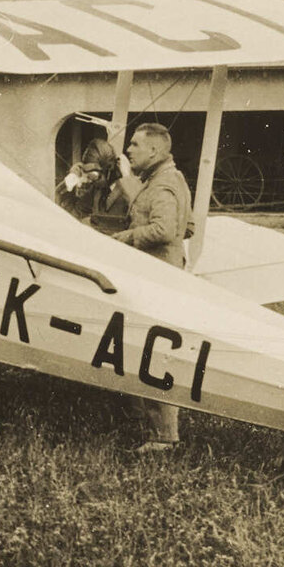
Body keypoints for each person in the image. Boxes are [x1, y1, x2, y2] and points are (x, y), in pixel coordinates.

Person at [106, 122, 193, 452]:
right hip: (166, 273)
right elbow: (189, 227)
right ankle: (141, 417)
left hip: (157, 280)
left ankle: (164, 437)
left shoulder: (162, 185)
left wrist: (126, 237)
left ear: (154, 150)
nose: (128, 151)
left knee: (153, 354)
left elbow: (166, 229)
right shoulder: (172, 179)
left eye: (135, 145)